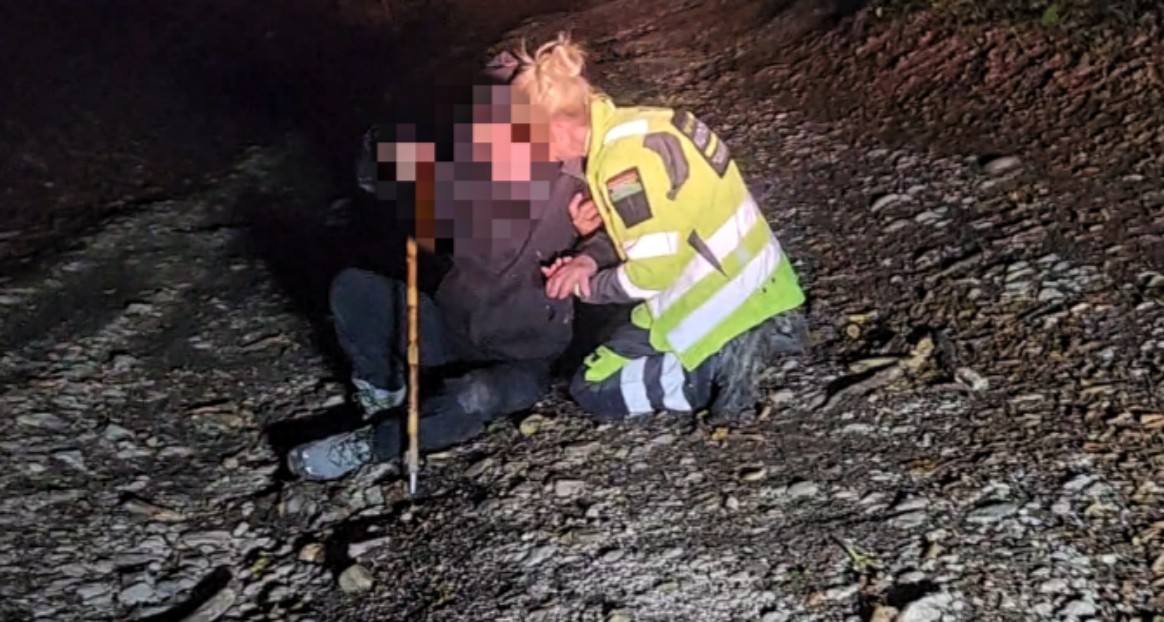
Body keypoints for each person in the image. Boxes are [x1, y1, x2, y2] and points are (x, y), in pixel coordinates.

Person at [287, 53, 616, 480]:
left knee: (476, 395)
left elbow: (628, 239)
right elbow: (408, 204)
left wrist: (590, 250)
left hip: (526, 355)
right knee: (354, 290)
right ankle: (385, 396)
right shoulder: (478, 168)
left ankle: (374, 443)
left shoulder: (590, 177)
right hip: (454, 330)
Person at [512, 33, 811, 421]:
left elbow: (651, 274)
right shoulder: (650, 124)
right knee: (617, 343)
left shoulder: (620, 169)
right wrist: (587, 260)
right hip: (766, 284)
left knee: (593, 388)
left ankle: (715, 370)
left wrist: (587, 288)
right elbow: (663, 228)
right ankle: (769, 333)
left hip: (719, 303)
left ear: (557, 126)